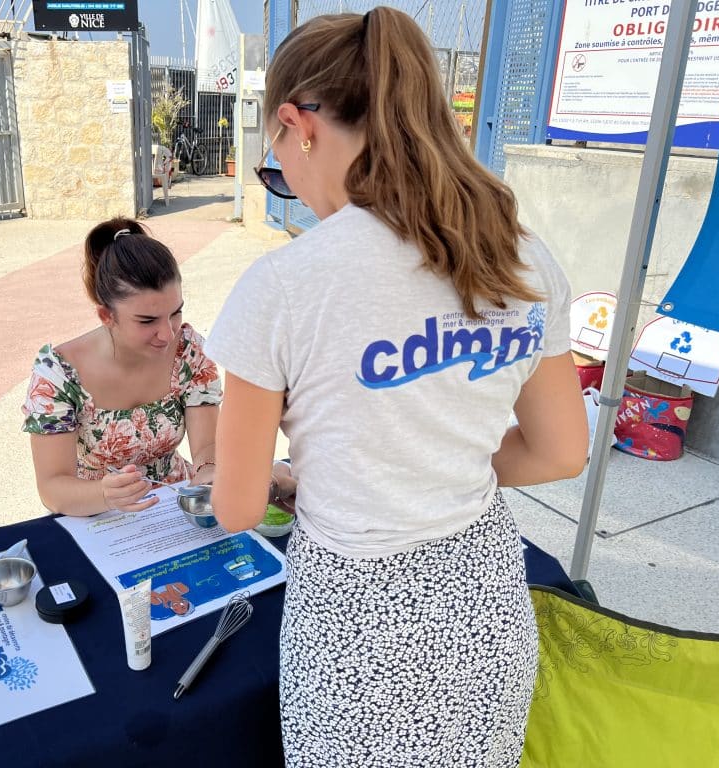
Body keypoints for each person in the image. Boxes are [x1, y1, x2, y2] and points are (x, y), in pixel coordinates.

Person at [204, 8, 588, 767]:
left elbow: (239, 505)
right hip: (484, 608)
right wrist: (436, 466)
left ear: (297, 124)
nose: (290, 186)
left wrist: (350, 474)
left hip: (358, 628)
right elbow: (561, 451)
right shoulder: (522, 257)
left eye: (277, 163)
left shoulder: (285, 285)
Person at [21, 218, 222, 517]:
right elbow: (52, 488)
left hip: (173, 507)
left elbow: (207, 446)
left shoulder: (187, 350)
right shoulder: (59, 374)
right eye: (147, 321)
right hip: (96, 514)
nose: (167, 333)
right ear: (106, 316)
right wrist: (105, 493)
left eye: (175, 313)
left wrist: (208, 471)